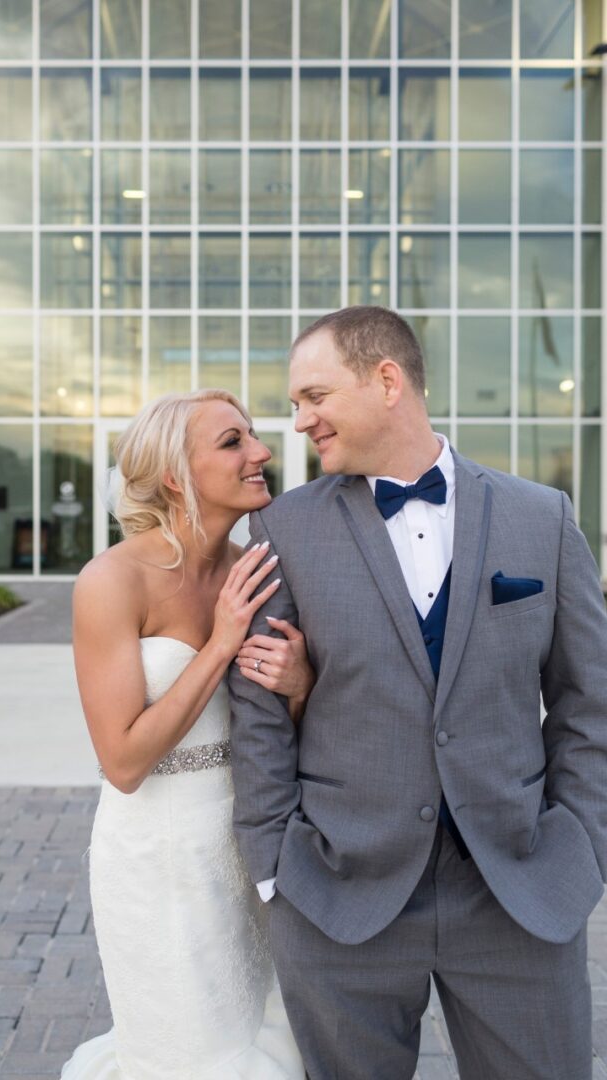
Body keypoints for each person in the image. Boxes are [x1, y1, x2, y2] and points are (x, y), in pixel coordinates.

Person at [229, 304, 607, 1080]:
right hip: (340, 894)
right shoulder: (284, 531)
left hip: (520, 890)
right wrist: (274, 868)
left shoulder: (544, 519)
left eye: (314, 396)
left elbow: (588, 703)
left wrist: (584, 847)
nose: (299, 421)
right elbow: (258, 713)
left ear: (387, 380)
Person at [62, 389, 309, 1079]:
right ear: (175, 473)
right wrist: (221, 642)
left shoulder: (257, 568)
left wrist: (299, 688)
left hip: (250, 848)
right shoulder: (111, 580)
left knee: (263, 1038)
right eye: (233, 442)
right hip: (156, 858)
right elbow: (123, 760)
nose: (261, 453)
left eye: (253, 437)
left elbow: (274, 731)